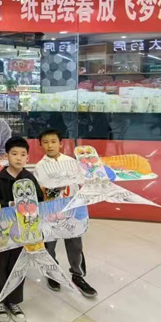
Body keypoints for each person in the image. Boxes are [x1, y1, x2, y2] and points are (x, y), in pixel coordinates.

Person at [34, 128, 97, 298]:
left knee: (75, 244)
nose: (50, 145)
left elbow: (82, 183)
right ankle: (52, 273)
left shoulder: (72, 162)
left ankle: (78, 275)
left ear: (61, 144)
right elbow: (40, 191)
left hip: (72, 209)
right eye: (45, 142)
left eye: (53, 142)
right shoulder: (40, 167)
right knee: (49, 245)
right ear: (40, 145)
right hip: (50, 212)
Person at [0, 136, 42, 322]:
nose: (19, 158)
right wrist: (11, 204)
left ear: (28, 157)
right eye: (14, 154)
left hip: (22, 231)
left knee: (18, 265)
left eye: (23, 154)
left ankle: (14, 300)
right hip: (1, 230)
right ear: (7, 156)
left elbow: (39, 200)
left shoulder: (30, 178)